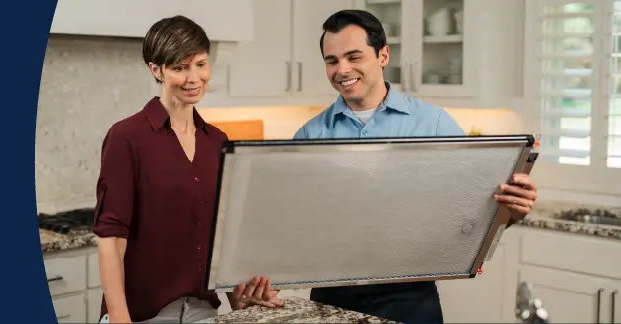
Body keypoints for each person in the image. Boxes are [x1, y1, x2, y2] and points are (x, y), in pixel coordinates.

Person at [292, 9, 540, 323]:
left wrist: (511, 211)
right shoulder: (309, 135)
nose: (342, 69)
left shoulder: (434, 124)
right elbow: (296, 222)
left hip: (410, 297)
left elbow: (474, 210)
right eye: (332, 60)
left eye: (354, 57)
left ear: (383, 55)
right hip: (330, 296)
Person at [92, 15, 284, 324]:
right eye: (180, 68)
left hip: (203, 312)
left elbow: (219, 234)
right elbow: (110, 239)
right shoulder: (126, 137)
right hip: (142, 316)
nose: (193, 78)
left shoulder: (217, 141)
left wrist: (238, 297)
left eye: (201, 64)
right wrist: (118, 316)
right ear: (157, 70)